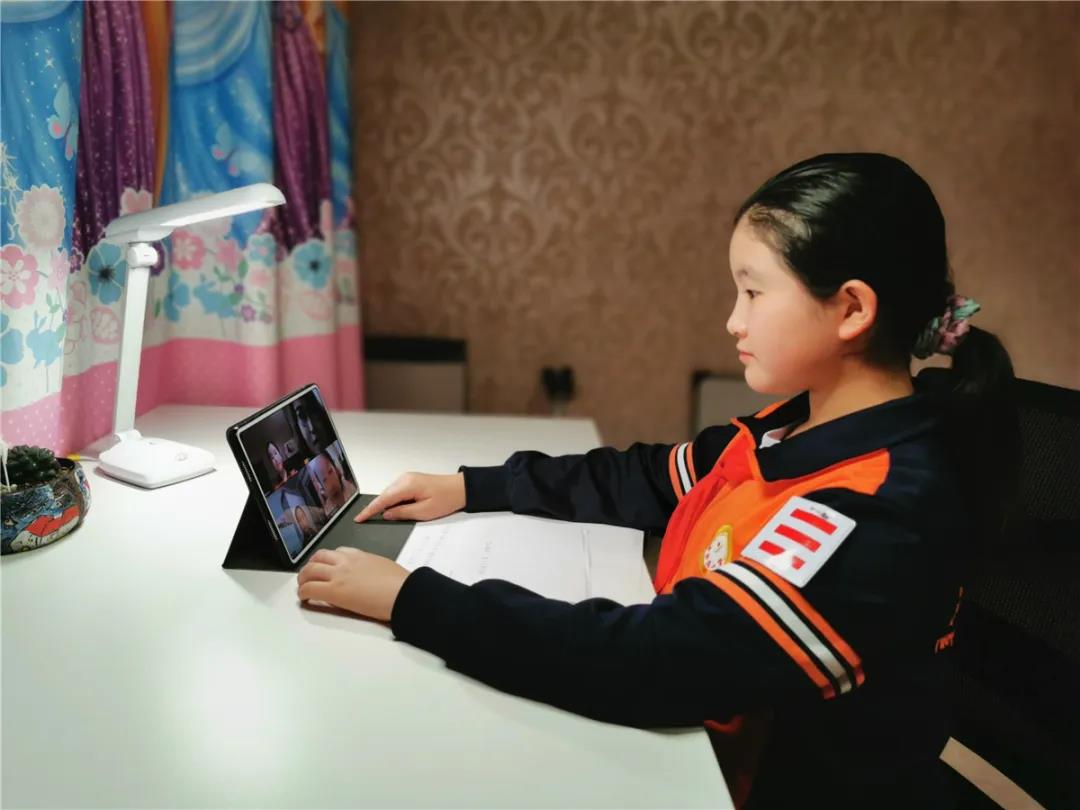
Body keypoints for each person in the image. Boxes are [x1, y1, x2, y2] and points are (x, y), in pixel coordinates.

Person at [296, 153, 1020, 808]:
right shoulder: (791, 427)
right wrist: (476, 487)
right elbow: (646, 477)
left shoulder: (874, 509)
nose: (733, 321)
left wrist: (413, 599)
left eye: (753, 292)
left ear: (852, 309)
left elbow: (658, 663)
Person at [308, 450, 358, 514]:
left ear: (336, 469)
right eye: (324, 480)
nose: (330, 483)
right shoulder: (329, 511)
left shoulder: (351, 487)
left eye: (330, 471)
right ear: (321, 487)